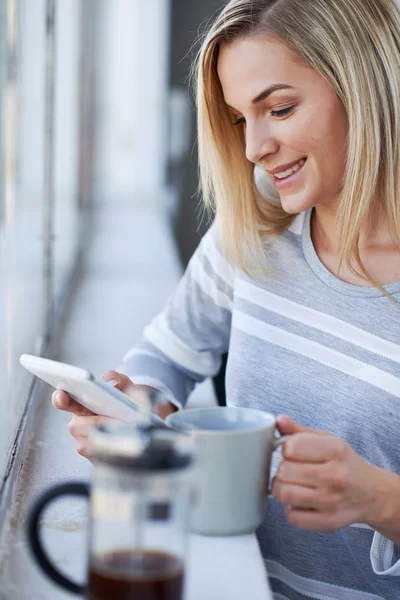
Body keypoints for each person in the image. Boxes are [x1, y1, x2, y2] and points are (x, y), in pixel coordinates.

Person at [53, 0, 400, 597]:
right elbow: (165, 356)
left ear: (365, 85)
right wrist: (133, 408)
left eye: (280, 108)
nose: (254, 147)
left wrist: (379, 499)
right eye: (240, 119)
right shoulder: (255, 230)